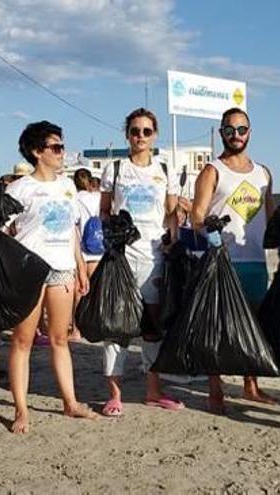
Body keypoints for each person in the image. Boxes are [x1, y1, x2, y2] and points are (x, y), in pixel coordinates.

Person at [5, 121, 96, 434]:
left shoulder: (68, 186)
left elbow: (72, 229)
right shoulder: (19, 189)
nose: (62, 153)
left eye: (62, 146)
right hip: (29, 270)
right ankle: (21, 410)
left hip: (62, 268)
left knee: (60, 338)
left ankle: (70, 402)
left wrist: (80, 266)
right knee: (23, 340)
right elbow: (2, 230)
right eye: (55, 147)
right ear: (36, 152)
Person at [190, 107, 278, 414]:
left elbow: (269, 217)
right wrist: (208, 235)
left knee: (254, 325)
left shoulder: (263, 173)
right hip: (223, 261)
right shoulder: (213, 170)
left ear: (250, 132)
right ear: (221, 133)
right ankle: (215, 391)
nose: (235, 135)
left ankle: (251, 386)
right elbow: (197, 215)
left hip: (256, 261)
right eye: (229, 130)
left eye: (241, 130)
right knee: (219, 327)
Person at [98, 108, 185, 417]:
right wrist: (112, 233)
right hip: (121, 257)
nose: (140, 137)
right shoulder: (115, 168)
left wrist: (173, 242)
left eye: (147, 131)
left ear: (155, 135)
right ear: (127, 134)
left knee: (152, 326)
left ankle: (152, 390)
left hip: (154, 257)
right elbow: (105, 211)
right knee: (117, 325)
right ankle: (115, 394)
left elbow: (171, 214)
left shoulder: (165, 168)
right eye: (135, 131)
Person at [72, 167, 102, 342]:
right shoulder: (97, 198)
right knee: (97, 290)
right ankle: (97, 325)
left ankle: (77, 329)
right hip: (98, 247)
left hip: (81, 249)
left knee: (80, 291)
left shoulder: (74, 199)